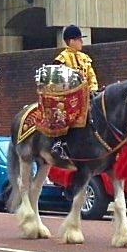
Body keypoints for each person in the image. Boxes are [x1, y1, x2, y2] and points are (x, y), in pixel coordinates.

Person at [47, 25, 99, 160]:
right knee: (63, 114)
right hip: (69, 96)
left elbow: (92, 77)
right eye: (79, 39)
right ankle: (59, 143)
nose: (81, 42)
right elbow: (59, 81)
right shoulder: (61, 59)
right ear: (71, 41)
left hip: (87, 95)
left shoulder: (85, 58)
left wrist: (93, 89)